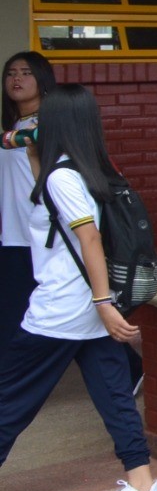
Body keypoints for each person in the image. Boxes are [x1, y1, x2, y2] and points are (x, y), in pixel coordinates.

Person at [0, 84, 157, 491]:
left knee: (9, 398)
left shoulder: (61, 178)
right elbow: (19, 147)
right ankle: (143, 486)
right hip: (86, 311)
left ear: (55, 123)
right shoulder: (86, 168)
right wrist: (29, 138)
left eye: (42, 117)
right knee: (114, 397)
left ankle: (143, 487)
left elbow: (88, 238)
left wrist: (102, 302)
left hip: (63, 308)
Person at [2, 51, 54, 362]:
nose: (16, 78)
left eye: (25, 72)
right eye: (10, 73)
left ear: (42, 80)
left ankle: (127, 364)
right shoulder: (14, 125)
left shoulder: (49, 123)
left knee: (62, 306)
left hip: (41, 234)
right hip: (13, 235)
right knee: (13, 311)